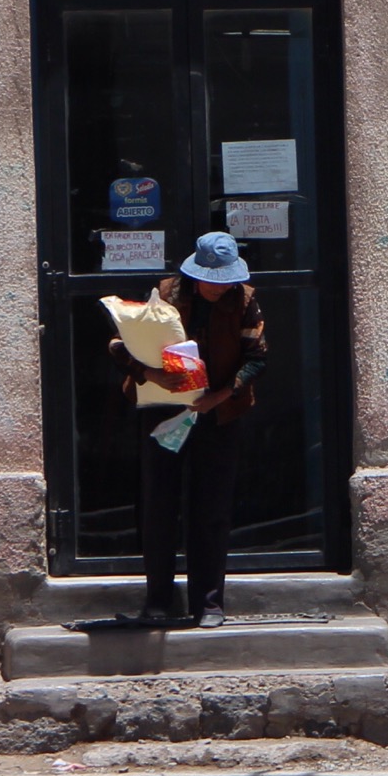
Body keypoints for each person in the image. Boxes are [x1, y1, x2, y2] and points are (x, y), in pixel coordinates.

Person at [108, 231, 268, 626]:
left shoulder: (245, 301)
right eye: (212, 281)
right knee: (159, 504)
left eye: (225, 281)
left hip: (219, 413)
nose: (219, 288)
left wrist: (220, 396)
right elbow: (119, 345)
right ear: (194, 275)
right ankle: (158, 600)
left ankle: (209, 602)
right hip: (164, 411)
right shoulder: (163, 295)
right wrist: (150, 374)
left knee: (212, 506)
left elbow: (257, 357)